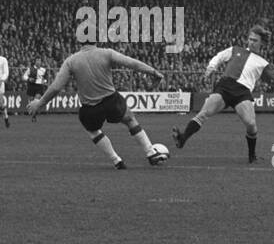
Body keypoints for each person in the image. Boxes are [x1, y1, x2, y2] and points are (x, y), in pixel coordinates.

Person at [25, 45, 169, 169]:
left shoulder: (71, 60)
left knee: (93, 131)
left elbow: (56, 87)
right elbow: (132, 63)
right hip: (111, 101)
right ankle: (150, 152)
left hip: (90, 108)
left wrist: (40, 103)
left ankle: (116, 160)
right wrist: (153, 72)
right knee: (130, 119)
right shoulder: (106, 53)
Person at [172, 24, 274, 165]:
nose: (251, 42)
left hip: (242, 92)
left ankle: (252, 156)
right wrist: (211, 67)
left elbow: (272, 79)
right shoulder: (235, 50)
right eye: (250, 39)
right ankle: (183, 138)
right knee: (203, 113)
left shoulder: (264, 63)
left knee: (251, 124)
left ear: (262, 43)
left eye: (255, 40)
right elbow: (219, 57)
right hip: (225, 86)